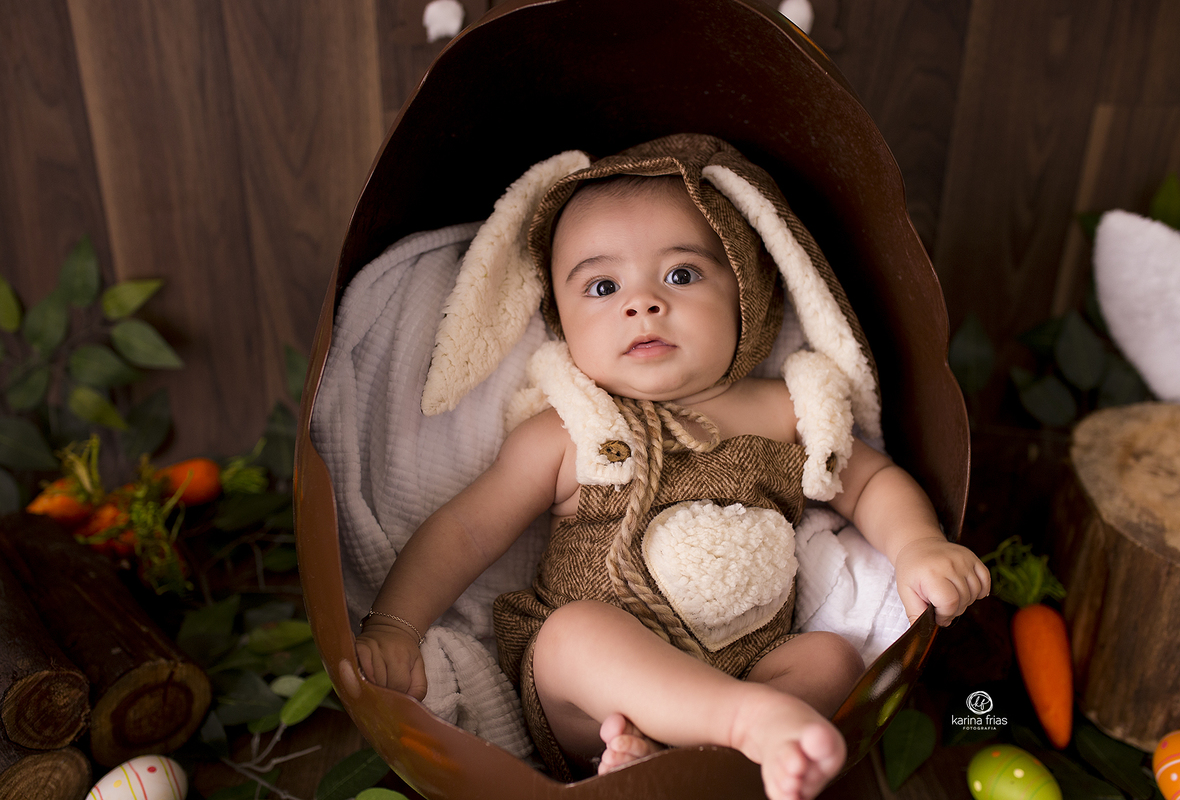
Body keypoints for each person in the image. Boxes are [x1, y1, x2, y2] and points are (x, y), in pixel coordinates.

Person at [355, 135, 990, 800]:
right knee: (574, 635)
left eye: (682, 275)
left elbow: (872, 481)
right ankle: (737, 728)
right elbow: (466, 531)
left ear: (747, 292)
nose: (643, 303)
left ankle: (696, 761)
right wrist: (396, 624)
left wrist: (918, 546)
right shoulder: (571, 431)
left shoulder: (786, 411)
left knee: (830, 656)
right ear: (562, 320)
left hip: (751, 666)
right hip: (596, 708)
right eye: (603, 287)